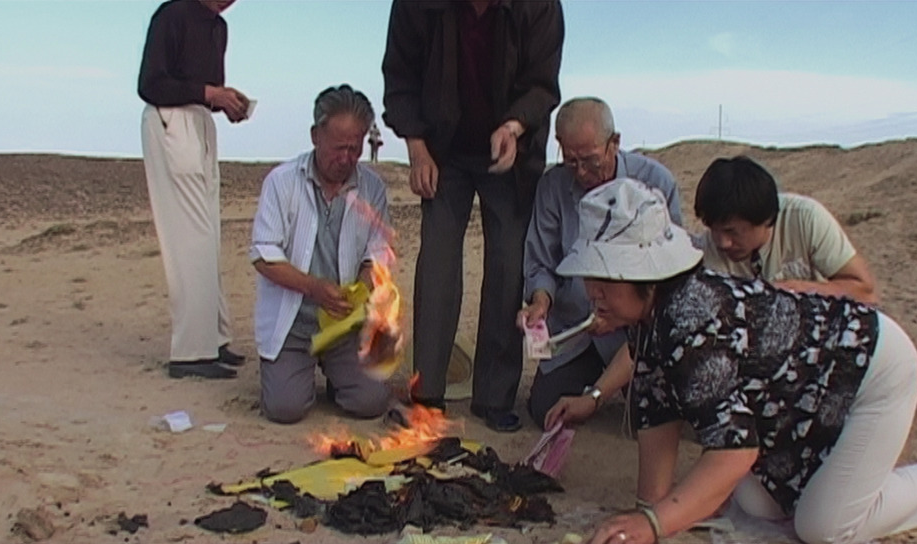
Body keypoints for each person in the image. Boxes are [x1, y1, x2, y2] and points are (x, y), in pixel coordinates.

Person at [556, 179, 917, 544]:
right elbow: (658, 412)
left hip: (870, 368)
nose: (593, 294)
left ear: (647, 276)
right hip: (805, 393)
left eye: (605, 279)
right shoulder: (651, 318)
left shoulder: (693, 320)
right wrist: (645, 512)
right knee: (756, 503)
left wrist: (653, 524)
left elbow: (735, 451)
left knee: (823, 528)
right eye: (590, 278)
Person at [382, 0, 564, 432]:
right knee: (437, 265)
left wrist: (514, 126)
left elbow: (542, 84)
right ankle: (427, 394)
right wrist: (416, 147)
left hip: (511, 153)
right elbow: (400, 77)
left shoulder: (539, 5)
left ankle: (494, 397)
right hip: (442, 149)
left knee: (507, 266)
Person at [517, 97, 682, 429]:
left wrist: (620, 315)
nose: (581, 172)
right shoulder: (552, 187)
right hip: (579, 329)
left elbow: (671, 274)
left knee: (652, 416)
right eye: (571, 161)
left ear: (614, 143)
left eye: (591, 161)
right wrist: (540, 301)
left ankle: (616, 386)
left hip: (637, 330)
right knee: (546, 409)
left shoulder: (656, 183)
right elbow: (541, 262)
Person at [250, 85, 393, 424]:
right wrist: (314, 288)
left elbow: (379, 252)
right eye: (338, 148)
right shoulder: (282, 182)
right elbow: (262, 254)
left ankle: (337, 374)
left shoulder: (372, 188)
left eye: (355, 149)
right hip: (292, 324)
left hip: (345, 324)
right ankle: (291, 369)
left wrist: (363, 285)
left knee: (371, 401)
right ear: (315, 136)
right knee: (285, 409)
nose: (346, 158)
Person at [138, 0, 249, 379]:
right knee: (190, 236)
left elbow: (204, 91)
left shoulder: (218, 27)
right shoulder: (173, 14)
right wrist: (209, 94)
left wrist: (225, 102)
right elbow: (151, 84)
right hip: (172, 122)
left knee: (208, 234)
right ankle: (190, 352)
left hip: (200, 124)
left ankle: (213, 339)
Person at [695, 155, 879, 305]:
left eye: (732, 231)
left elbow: (864, 291)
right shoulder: (705, 252)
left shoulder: (806, 218)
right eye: (713, 229)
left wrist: (797, 291)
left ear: (766, 219)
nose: (722, 243)